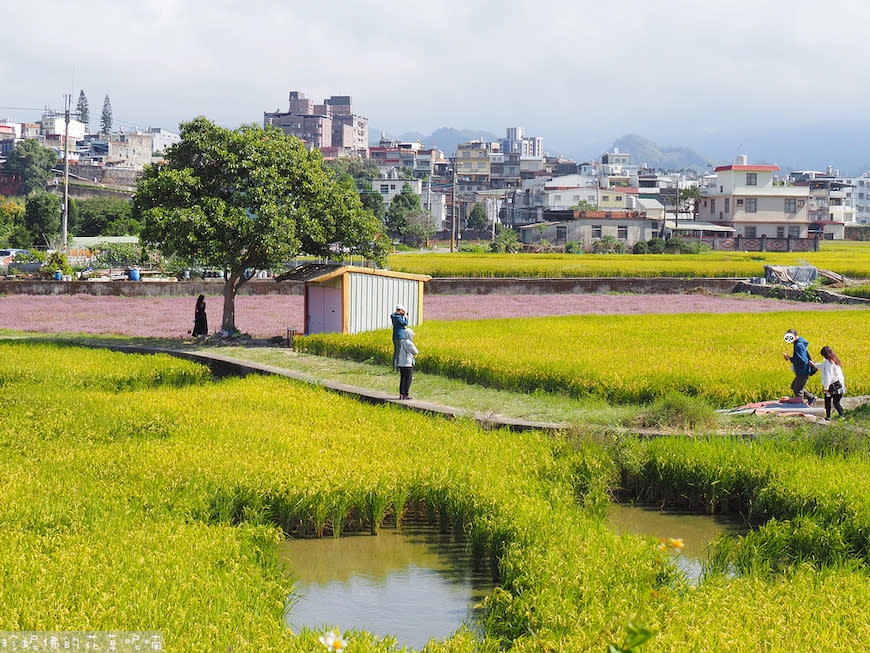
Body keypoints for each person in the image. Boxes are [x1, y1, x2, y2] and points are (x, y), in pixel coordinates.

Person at [782, 328, 817, 405]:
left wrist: (789, 358)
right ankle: (811, 398)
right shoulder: (799, 343)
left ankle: (800, 406)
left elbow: (801, 360)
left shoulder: (798, 345)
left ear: (794, 336)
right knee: (794, 386)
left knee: (798, 390)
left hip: (803, 370)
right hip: (802, 370)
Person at [817, 345, 847, 420]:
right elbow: (822, 365)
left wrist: (826, 388)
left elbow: (828, 376)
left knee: (828, 401)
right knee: (836, 402)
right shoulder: (835, 360)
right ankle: (842, 416)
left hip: (832, 386)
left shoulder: (829, 363)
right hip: (839, 385)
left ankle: (829, 416)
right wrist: (814, 364)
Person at [397, 328, 418, 400]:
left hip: (401, 363)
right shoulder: (409, 343)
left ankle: (401, 394)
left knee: (402, 379)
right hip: (408, 364)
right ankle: (406, 394)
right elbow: (416, 352)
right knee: (408, 379)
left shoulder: (401, 341)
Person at [390, 304, 408, 370]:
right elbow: (405, 323)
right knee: (399, 352)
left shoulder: (394, 316)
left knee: (396, 352)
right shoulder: (398, 317)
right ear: (400, 310)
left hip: (395, 336)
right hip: (399, 336)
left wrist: (402, 315)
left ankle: (394, 366)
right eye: (402, 310)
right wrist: (405, 316)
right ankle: (397, 367)